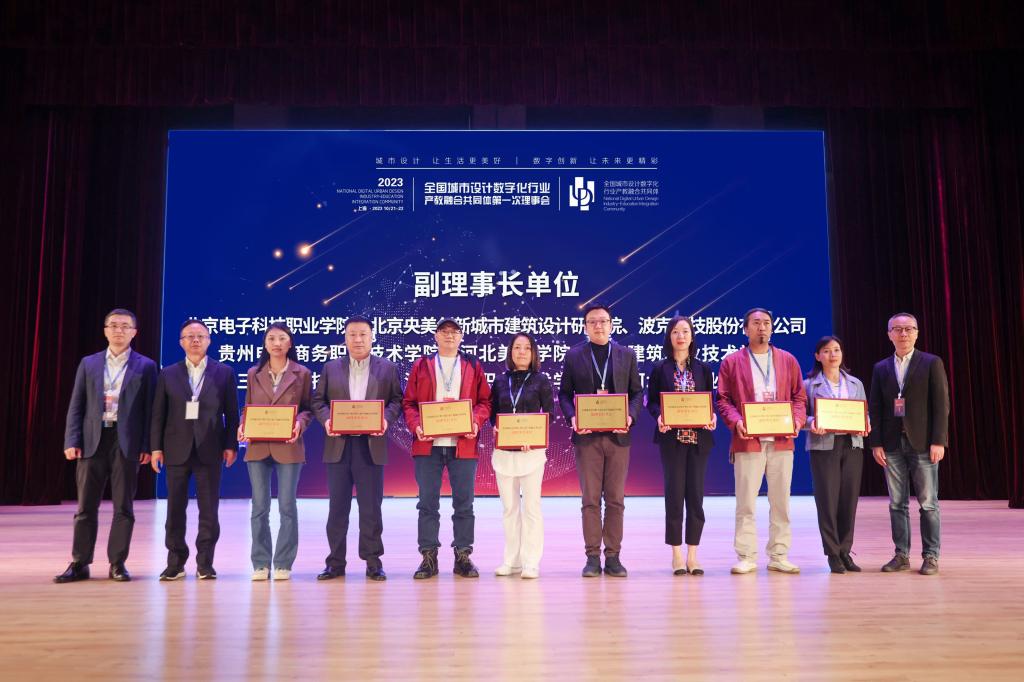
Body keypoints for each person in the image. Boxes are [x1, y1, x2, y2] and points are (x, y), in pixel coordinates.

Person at [56, 309, 157, 583]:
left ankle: (117, 562)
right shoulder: (89, 363)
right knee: (85, 506)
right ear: (105, 330)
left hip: (127, 443)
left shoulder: (146, 366)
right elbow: (76, 404)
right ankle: (80, 562)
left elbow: (150, 410)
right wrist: (72, 439)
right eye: (113, 325)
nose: (119, 330)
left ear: (134, 332)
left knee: (123, 506)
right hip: (93, 440)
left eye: (125, 326)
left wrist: (147, 445)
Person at [716, 307, 807, 575]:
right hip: (748, 441)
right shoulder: (732, 362)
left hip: (781, 441)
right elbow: (723, 400)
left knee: (781, 502)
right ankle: (746, 555)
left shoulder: (787, 360)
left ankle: (779, 554)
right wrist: (737, 422)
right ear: (746, 329)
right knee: (746, 502)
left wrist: (797, 421)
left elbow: (799, 398)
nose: (762, 328)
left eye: (766, 323)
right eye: (756, 323)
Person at [313, 315, 403, 582]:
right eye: (352, 334)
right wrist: (327, 420)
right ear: (345, 338)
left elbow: (396, 401)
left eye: (363, 334)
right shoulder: (331, 368)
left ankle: (373, 562)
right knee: (337, 508)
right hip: (339, 446)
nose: (358, 339)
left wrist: (385, 420)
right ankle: (335, 562)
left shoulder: (387, 368)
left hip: (370, 446)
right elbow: (318, 401)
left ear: (372, 337)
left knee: (371, 508)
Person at [558, 302, 643, 578]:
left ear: (611, 324)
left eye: (603, 321)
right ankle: (592, 557)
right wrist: (573, 417)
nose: (598, 325)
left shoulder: (626, 355)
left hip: (618, 437)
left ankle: (614, 556)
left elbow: (637, 392)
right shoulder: (574, 355)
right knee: (590, 500)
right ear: (585, 327)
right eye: (592, 321)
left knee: (616, 499)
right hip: (587, 439)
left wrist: (630, 416)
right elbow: (564, 394)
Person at [402, 319, 492, 579]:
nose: (449, 336)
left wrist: (475, 422)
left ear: (461, 337)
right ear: (435, 336)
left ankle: (463, 556)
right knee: (427, 504)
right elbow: (409, 403)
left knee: (464, 504)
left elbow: (485, 402)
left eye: (454, 332)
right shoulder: (421, 365)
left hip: (462, 445)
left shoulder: (473, 365)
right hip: (428, 445)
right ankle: (428, 557)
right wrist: (416, 426)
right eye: (444, 331)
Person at [150, 319, 239, 580]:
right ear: (181, 342)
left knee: (209, 511)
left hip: (210, 448)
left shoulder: (224, 372)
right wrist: (155, 448)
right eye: (189, 336)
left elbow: (232, 413)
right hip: (175, 449)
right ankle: (175, 562)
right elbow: (158, 415)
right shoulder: (168, 373)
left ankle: (205, 563)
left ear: (209, 340)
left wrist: (231, 445)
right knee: (174, 510)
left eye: (201, 336)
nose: (195, 340)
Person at [868, 312, 949, 575]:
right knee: (896, 504)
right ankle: (901, 555)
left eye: (909, 329)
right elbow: (876, 408)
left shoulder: (931, 362)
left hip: (924, 443)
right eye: (897, 329)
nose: (903, 334)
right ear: (889, 334)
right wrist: (876, 443)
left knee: (928, 503)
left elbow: (941, 405)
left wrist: (939, 440)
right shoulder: (881, 368)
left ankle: (931, 556)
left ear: (917, 333)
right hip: (891, 444)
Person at [238, 323, 313, 581]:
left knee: (287, 506)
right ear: (265, 343)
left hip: (289, 447)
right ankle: (260, 563)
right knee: (259, 507)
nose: (277, 343)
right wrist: (243, 425)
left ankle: (283, 562)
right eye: (271, 338)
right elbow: (248, 408)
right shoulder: (253, 373)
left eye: (282, 338)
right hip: (258, 446)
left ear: (290, 343)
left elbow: (307, 409)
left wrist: (299, 425)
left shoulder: (302, 373)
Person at [645, 316, 716, 576]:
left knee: (695, 497)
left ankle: (693, 555)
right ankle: (676, 554)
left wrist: (712, 416)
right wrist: (659, 417)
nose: (681, 336)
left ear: (692, 336)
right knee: (674, 496)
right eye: (675, 332)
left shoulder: (704, 369)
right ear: (669, 337)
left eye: (685, 331)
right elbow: (652, 401)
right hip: (671, 440)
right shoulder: (659, 368)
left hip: (698, 440)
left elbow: (710, 400)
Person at [489, 333, 555, 579]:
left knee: (531, 508)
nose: (522, 352)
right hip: (504, 453)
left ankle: (531, 562)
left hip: (531, 454)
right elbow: (492, 414)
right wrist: (494, 427)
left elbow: (549, 414)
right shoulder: (499, 381)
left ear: (533, 353)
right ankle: (511, 560)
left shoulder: (541, 380)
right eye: (517, 347)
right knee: (509, 509)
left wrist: (534, 436)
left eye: (527, 348)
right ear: (510, 352)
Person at [803, 336, 868, 574]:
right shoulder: (808, 385)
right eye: (827, 351)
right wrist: (812, 422)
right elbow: (800, 416)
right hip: (823, 445)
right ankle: (832, 553)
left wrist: (865, 424)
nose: (833, 355)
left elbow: (864, 412)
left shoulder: (855, 383)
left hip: (852, 444)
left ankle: (845, 551)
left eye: (837, 350)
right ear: (817, 356)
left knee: (849, 500)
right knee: (827, 500)